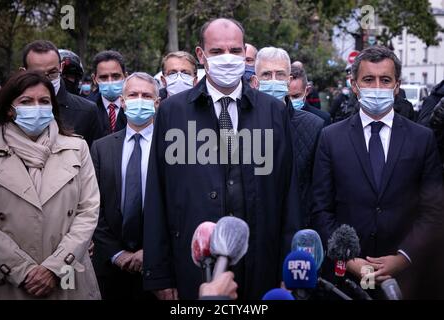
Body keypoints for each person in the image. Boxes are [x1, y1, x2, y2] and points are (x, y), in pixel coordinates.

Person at [142, 18, 299, 300]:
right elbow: (157, 194)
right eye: (217, 52)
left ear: (245, 54)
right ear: (201, 55)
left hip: (261, 267)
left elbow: (289, 197)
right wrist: (159, 274)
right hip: (193, 267)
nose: (227, 59)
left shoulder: (274, 112)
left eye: (235, 51)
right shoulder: (172, 112)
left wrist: (291, 270)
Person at [311, 46, 443, 298]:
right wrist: (349, 260)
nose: (377, 87)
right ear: (354, 85)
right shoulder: (330, 137)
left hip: (406, 279)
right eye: (369, 79)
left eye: (385, 80)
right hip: (345, 281)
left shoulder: (421, 139)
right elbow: (320, 208)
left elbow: (434, 210)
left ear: (397, 86)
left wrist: (403, 257)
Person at [0, 71, 100, 299]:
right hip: (7, 280)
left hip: (67, 276)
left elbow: (88, 211)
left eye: (44, 101)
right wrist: (21, 270)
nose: (36, 108)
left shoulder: (76, 148)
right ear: (10, 107)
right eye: (26, 101)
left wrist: (54, 268)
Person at [90, 72, 159, 300]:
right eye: (133, 94)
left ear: (157, 103)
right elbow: (92, 206)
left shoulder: (171, 147)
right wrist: (116, 253)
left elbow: (179, 207)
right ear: (122, 100)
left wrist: (151, 251)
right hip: (110, 269)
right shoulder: (101, 148)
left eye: (146, 95)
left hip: (158, 268)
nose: (139, 100)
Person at [251, 46, 324, 227]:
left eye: (280, 75)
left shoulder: (314, 126)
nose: (274, 81)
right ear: (254, 81)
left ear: (289, 80)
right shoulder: (239, 122)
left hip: (298, 227)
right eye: (266, 75)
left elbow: (319, 190)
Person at [21, 40, 102, 147]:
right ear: (24, 72)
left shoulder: (87, 111)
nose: (46, 80)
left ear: (61, 67)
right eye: (37, 74)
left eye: (52, 73)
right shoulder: (12, 111)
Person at [90, 50, 128, 137]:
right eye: (104, 77)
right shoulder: (86, 108)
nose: (110, 82)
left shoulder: (135, 106)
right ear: (94, 79)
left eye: (116, 76)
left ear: (125, 76)